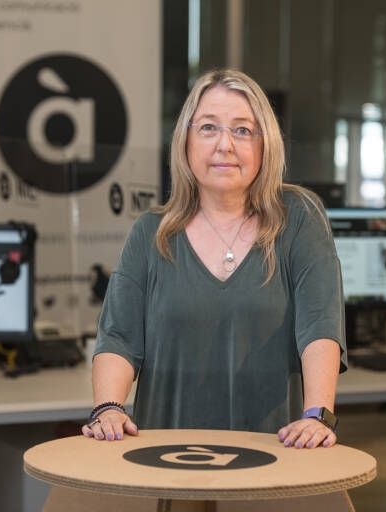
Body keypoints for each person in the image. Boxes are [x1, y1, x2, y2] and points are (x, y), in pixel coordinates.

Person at [81, 69, 347, 450]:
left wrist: (318, 415)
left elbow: (320, 326)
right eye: (208, 128)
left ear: (265, 144)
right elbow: (118, 338)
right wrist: (108, 408)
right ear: (186, 141)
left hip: (275, 456)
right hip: (164, 458)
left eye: (242, 130)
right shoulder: (150, 233)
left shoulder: (300, 219)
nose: (225, 144)